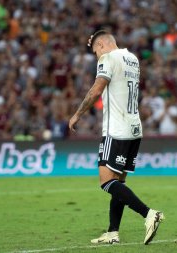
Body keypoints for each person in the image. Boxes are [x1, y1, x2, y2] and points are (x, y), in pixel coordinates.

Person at [68, 30, 164, 245]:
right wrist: (94, 38)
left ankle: (149, 214)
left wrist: (76, 114)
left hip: (116, 129)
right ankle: (113, 232)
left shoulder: (107, 58)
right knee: (118, 182)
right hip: (134, 129)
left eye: (95, 51)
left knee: (106, 182)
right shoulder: (132, 58)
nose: (96, 56)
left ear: (102, 45)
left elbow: (96, 90)